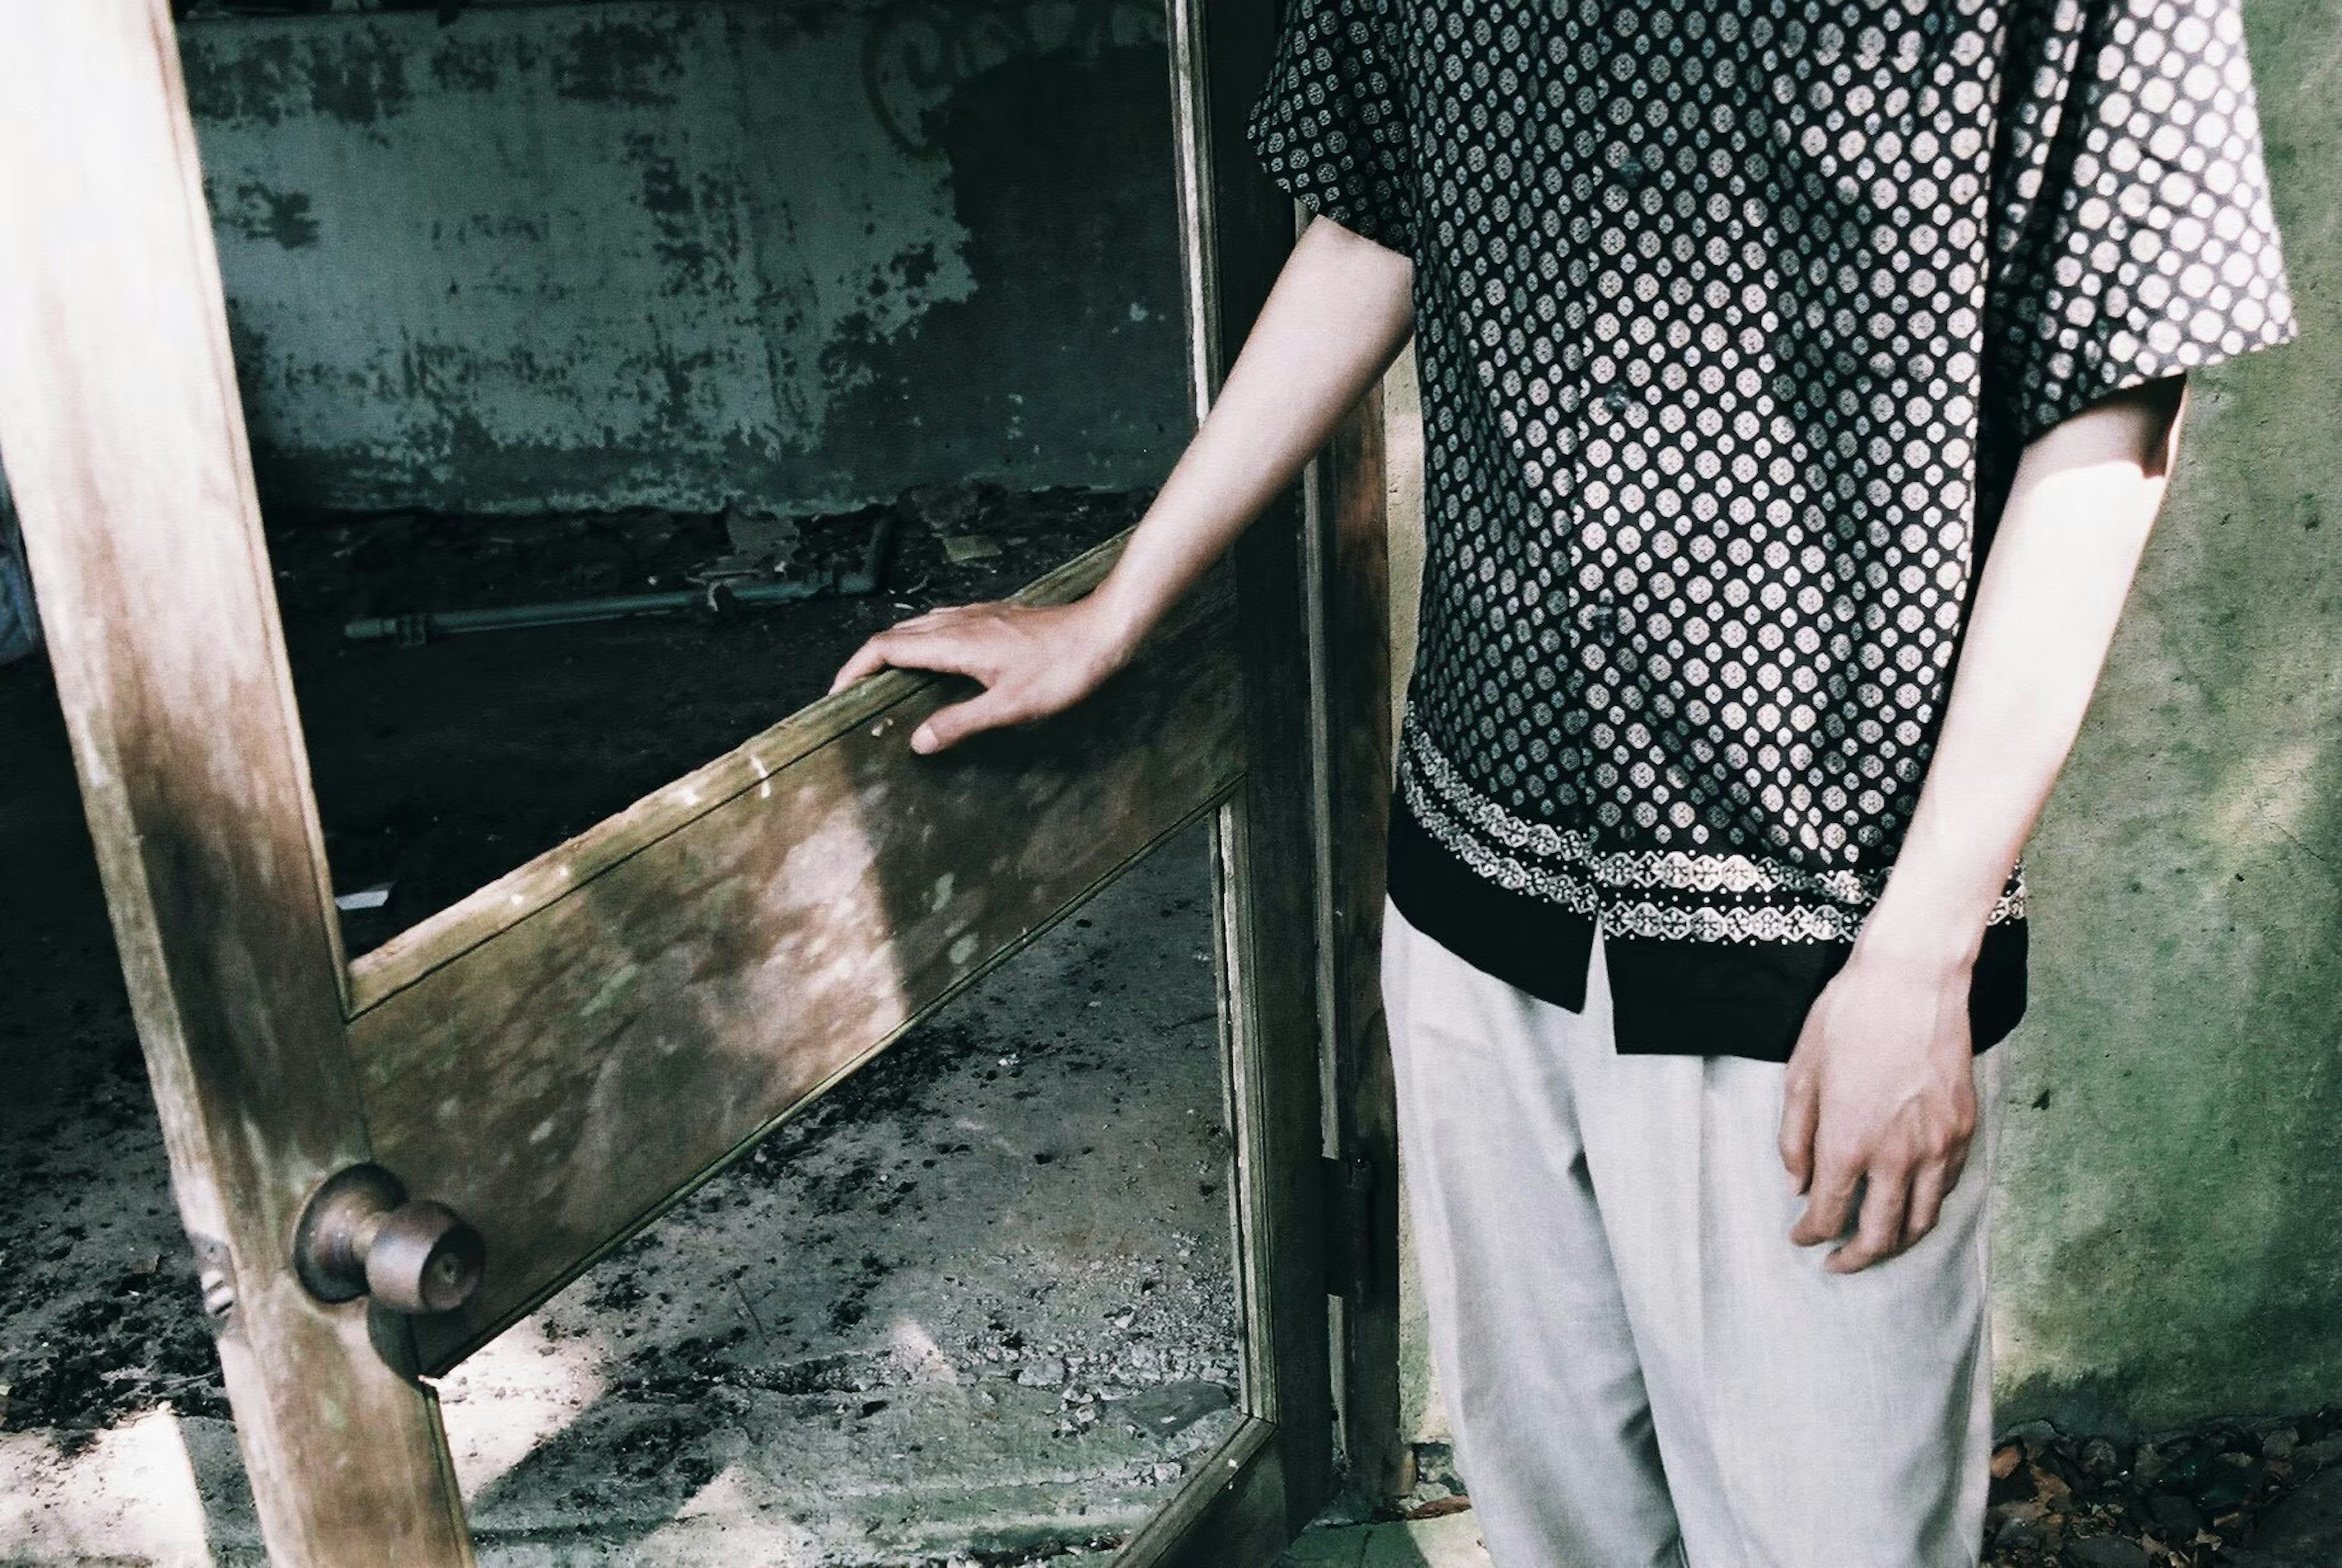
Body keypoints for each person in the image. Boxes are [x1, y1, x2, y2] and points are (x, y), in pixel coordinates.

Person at [831, 0, 2297, 1561]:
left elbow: (2111, 423)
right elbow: (1369, 227)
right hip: (1481, 877)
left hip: (1822, 930)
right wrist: (1119, 607)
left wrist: (1921, 957)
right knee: (1558, 1520)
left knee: (1829, 1530)